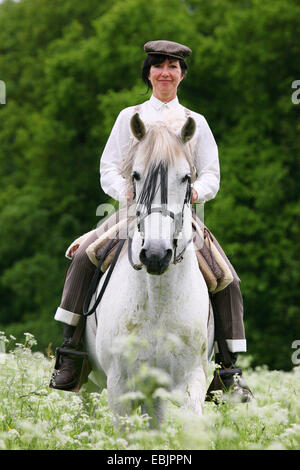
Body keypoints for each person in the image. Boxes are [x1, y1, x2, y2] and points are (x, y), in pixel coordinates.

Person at [51, 40, 253, 402]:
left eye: (173, 66)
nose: (165, 72)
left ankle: (227, 370)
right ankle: (71, 354)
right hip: (134, 211)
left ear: (181, 75)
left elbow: (212, 174)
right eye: (158, 65)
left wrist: (195, 192)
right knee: (84, 257)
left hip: (181, 214)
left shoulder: (196, 122)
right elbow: (109, 166)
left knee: (228, 278)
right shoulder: (131, 117)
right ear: (148, 73)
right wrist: (125, 190)